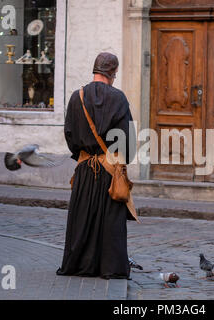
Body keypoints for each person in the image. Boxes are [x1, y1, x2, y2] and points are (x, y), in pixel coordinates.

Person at [56, 52, 136, 279]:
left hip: (84, 168)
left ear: (95, 70)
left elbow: (69, 133)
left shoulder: (76, 96)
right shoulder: (118, 98)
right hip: (110, 168)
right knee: (110, 223)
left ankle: (79, 264)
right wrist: (124, 158)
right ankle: (109, 267)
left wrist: (81, 156)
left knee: (81, 219)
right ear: (112, 73)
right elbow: (128, 138)